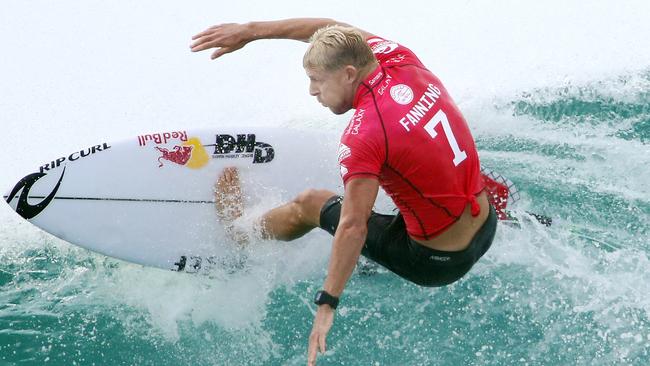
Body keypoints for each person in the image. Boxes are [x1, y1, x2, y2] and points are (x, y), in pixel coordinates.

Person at [191, 18, 497, 366]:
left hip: (434, 261)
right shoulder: (400, 59)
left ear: (349, 74)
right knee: (399, 169)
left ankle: (239, 229)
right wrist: (252, 32)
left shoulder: (364, 134)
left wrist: (327, 303)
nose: (312, 91)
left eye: (317, 80)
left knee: (312, 203)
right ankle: (377, 260)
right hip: (485, 224)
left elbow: (354, 226)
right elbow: (331, 29)